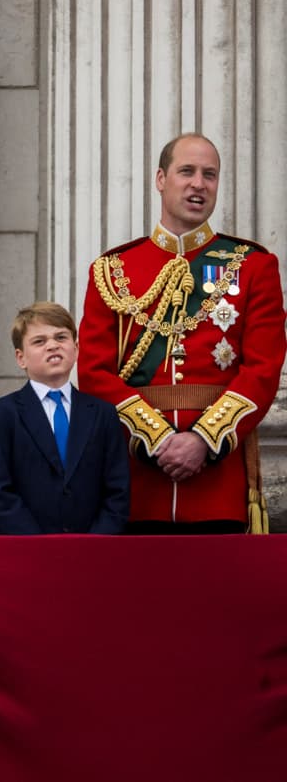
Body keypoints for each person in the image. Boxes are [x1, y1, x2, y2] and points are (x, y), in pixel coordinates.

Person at [78, 133, 287, 534]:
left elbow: (262, 370)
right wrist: (156, 439)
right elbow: (93, 373)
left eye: (210, 175)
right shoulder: (112, 269)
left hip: (217, 481)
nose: (199, 184)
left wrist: (204, 441)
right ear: (160, 179)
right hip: (136, 482)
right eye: (186, 171)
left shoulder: (254, 267)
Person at [0, 303, 130, 534]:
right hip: (26, 549)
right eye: (39, 341)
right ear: (21, 358)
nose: (53, 345)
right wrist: (39, 543)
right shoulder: (3, 413)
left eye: (61, 337)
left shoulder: (102, 413)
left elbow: (118, 488)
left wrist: (97, 540)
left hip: (92, 549)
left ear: (76, 349)